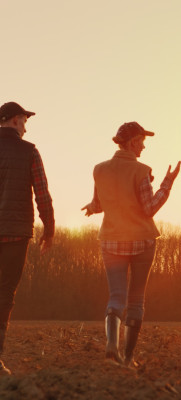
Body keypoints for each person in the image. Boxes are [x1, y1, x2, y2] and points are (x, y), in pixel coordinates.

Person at [82, 121, 180, 367]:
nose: (144, 147)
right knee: (136, 299)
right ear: (134, 142)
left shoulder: (99, 169)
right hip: (141, 241)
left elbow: (99, 203)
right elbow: (149, 208)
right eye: (142, 141)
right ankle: (128, 357)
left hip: (111, 240)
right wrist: (167, 184)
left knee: (116, 297)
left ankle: (111, 344)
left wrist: (91, 209)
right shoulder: (141, 171)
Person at [0, 101, 55, 375]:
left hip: (14, 230)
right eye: (23, 120)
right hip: (15, 233)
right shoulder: (29, 151)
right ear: (13, 121)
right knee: (5, 293)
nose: (25, 125)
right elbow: (42, 193)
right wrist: (50, 227)